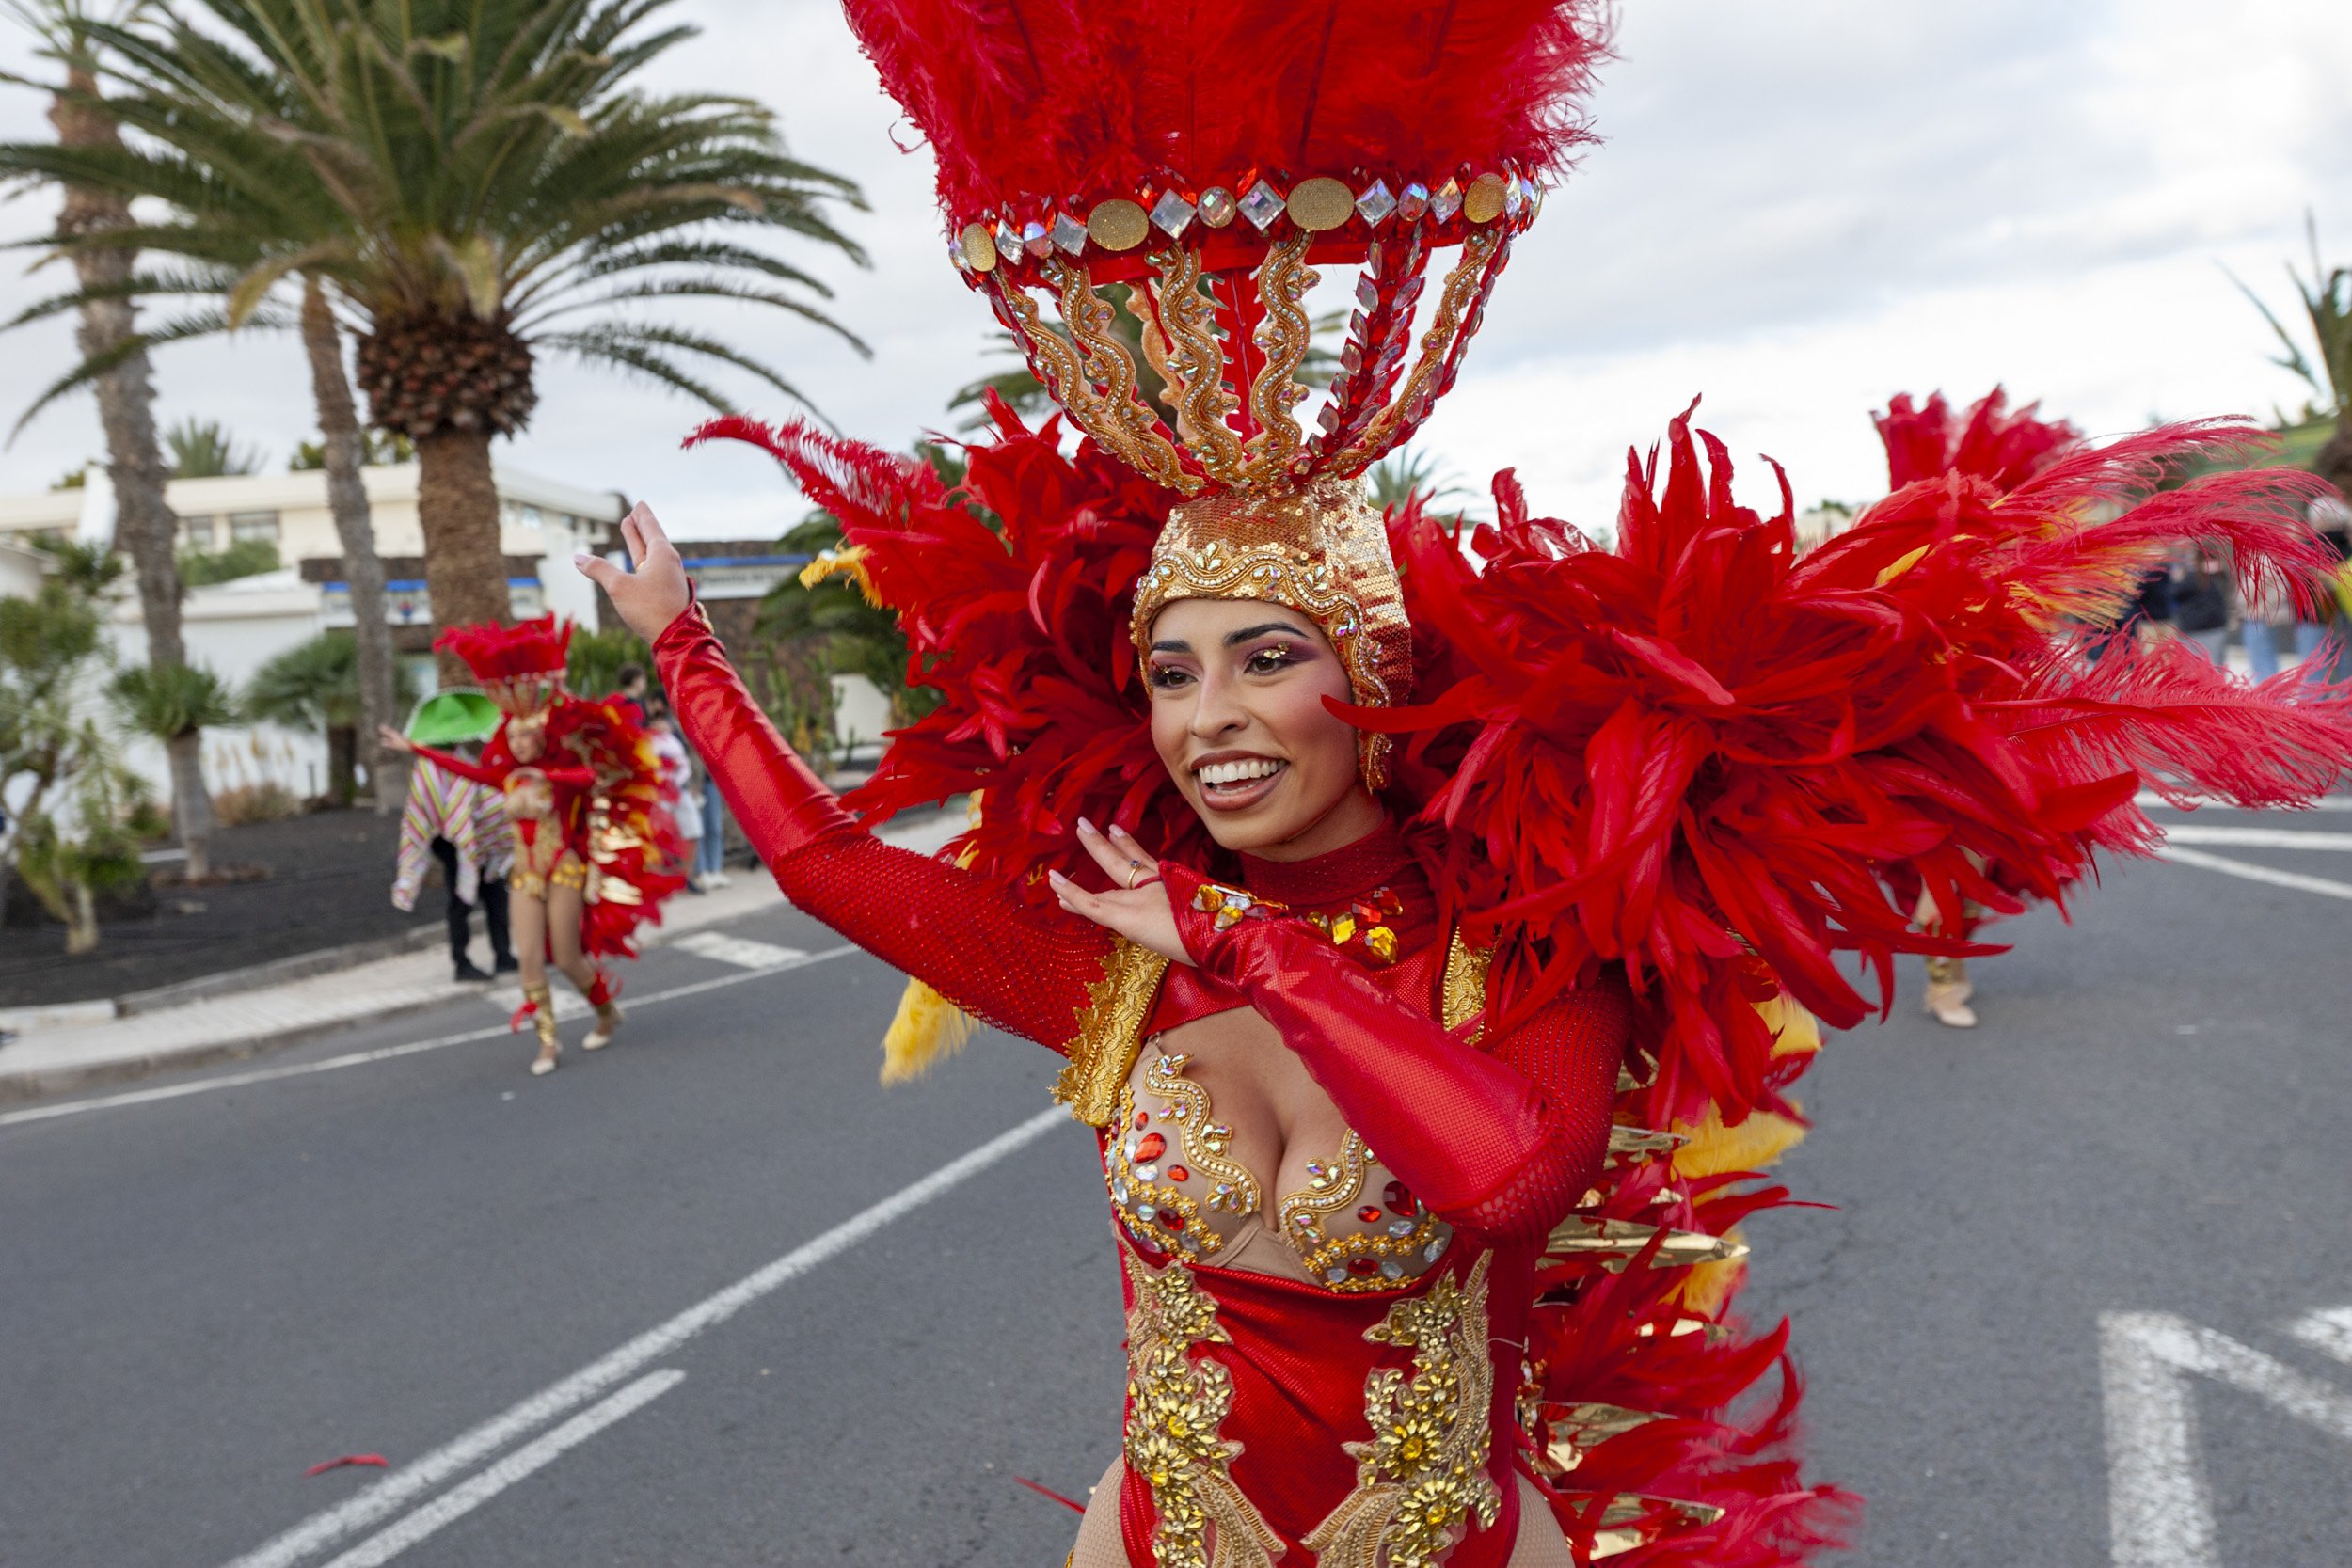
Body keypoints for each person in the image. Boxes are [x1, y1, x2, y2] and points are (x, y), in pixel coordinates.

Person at [580, 7, 2352, 1561]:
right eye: (1174, 668)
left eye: (1270, 657)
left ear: (1376, 686)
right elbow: (820, 865)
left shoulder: (1515, 943)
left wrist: (1233, 939)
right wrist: (680, 643)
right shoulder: (1108, 956)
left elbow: (1508, 1176)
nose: (1210, 715)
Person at [380, 618, 685, 1075]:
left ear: (541, 738)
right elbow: (466, 772)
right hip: (524, 875)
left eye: (528, 736)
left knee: (566, 957)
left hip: (563, 868)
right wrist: (416, 748)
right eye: (514, 736)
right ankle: (547, 1044)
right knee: (528, 959)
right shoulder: (504, 775)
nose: (520, 743)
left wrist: (551, 777)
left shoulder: (560, 770)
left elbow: (589, 778)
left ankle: (605, 1011)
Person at [390, 689, 516, 983]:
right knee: (463, 898)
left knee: (494, 895)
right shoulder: (428, 768)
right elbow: (423, 813)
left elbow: (482, 798)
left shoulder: (457, 760)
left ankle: (503, 955)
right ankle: (462, 962)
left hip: (478, 840)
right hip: (449, 843)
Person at [646, 704, 704, 891]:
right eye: (658, 720)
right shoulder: (647, 742)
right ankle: (656, 878)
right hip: (659, 793)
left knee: (693, 831)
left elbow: (686, 765)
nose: (662, 724)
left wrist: (681, 782)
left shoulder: (674, 740)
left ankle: (684, 877)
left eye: (664, 720)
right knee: (658, 836)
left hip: (680, 790)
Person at [611, 663, 649, 728]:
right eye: (643, 680)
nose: (645, 683)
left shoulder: (643, 703)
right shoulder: (617, 701)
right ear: (635, 681)